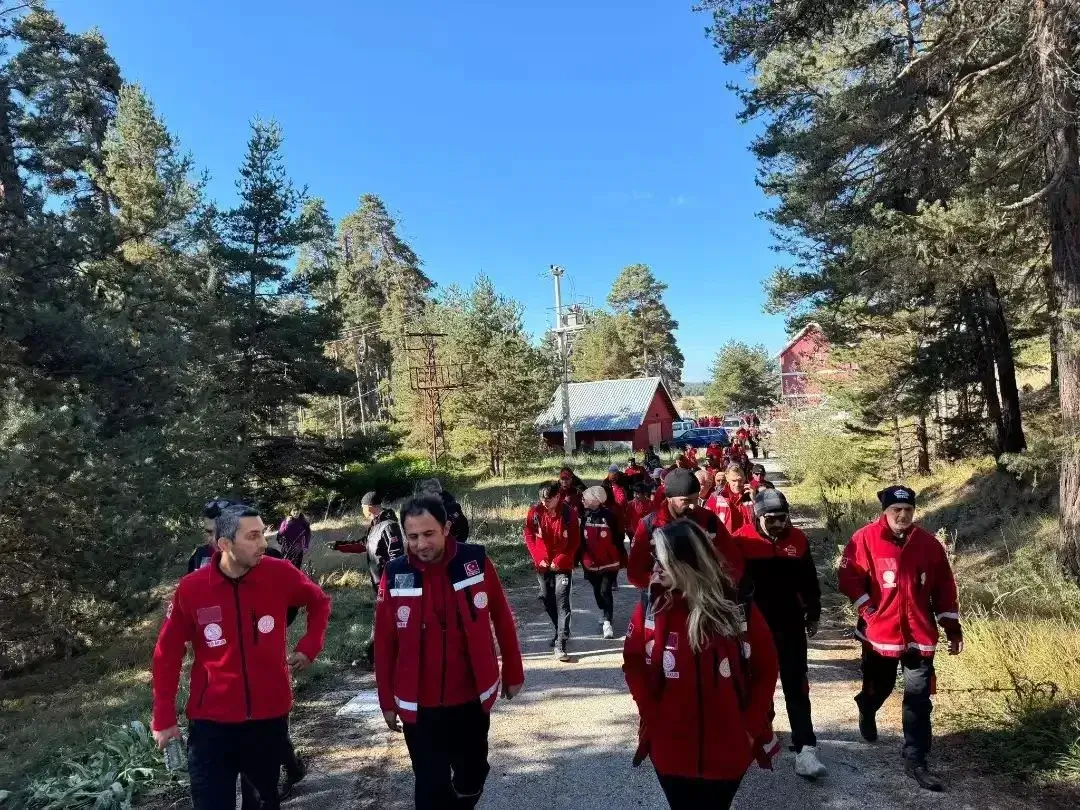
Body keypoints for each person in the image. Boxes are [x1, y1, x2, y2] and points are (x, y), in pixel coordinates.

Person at [151, 504, 332, 810]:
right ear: (224, 544)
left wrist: (310, 645)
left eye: (263, 533)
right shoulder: (192, 589)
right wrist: (164, 716)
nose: (263, 543)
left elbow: (319, 602)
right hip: (211, 724)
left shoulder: (280, 573)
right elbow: (166, 653)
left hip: (267, 719)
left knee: (262, 803)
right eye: (253, 536)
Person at [376, 496, 525, 809]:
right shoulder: (395, 573)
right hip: (419, 706)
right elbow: (385, 642)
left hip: (469, 699)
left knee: (472, 776)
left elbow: (501, 616)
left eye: (428, 534)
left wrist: (513, 671)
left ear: (446, 528)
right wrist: (386, 701)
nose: (421, 544)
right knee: (430, 786)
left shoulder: (475, 561)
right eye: (412, 536)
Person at [623, 519, 780, 809]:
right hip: (669, 749)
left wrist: (747, 728)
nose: (654, 568)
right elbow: (633, 663)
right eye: (653, 559)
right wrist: (651, 715)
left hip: (729, 749)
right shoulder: (651, 605)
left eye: (661, 560)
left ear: (687, 563)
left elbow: (767, 668)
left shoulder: (737, 606)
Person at [838, 486, 963, 793]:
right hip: (881, 633)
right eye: (897, 510)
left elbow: (944, 587)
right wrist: (868, 610)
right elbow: (848, 577)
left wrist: (952, 627)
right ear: (886, 511)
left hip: (919, 633)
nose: (903, 515)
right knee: (878, 687)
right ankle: (867, 706)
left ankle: (916, 759)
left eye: (908, 510)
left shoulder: (928, 544)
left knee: (918, 698)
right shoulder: (865, 538)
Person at [733, 490, 827, 779]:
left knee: (796, 683)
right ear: (757, 516)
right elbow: (731, 586)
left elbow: (809, 579)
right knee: (758, 684)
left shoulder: (797, 541)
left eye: (782, 519)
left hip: (790, 624)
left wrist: (813, 612)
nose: (777, 525)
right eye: (770, 519)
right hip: (754, 627)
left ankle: (806, 748)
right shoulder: (740, 541)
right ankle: (763, 733)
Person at [627, 468, 743, 590]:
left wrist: (723, 584)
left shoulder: (709, 520)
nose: (693, 506)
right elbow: (635, 573)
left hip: (704, 595)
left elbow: (733, 560)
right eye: (686, 501)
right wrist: (664, 581)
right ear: (669, 498)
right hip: (664, 599)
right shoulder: (650, 525)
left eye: (696, 499)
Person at [330, 492, 405, 666]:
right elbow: (364, 544)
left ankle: (373, 657)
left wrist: (391, 582)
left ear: (369, 507)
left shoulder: (389, 525)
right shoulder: (375, 524)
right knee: (384, 620)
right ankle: (382, 656)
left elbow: (397, 556)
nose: (362, 511)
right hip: (378, 582)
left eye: (363, 508)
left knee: (381, 620)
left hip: (387, 584)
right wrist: (340, 546)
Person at [523, 481, 581, 661]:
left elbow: (574, 541)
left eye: (548, 499)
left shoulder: (568, 513)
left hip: (562, 565)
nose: (544, 503)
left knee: (562, 601)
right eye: (542, 499)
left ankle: (560, 644)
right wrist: (539, 558)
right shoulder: (535, 512)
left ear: (558, 497)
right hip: (542, 565)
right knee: (547, 599)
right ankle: (560, 630)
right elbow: (529, 536)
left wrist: (559, 560)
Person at [579, 486, 626, 639]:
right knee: (597, 591)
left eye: (585, 498)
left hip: (609, 561)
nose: (583, 500)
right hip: (590, 562)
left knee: (605, 590)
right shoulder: (583, 516)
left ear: (595, 500)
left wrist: (622, 556)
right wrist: (579, 558)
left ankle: (607, 622)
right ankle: (603, 609)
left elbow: (619, 538)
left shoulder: (610, 516)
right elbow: (580, 539)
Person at [415, 478, 470, 543]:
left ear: (435, 493)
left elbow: (464, 527)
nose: (423, 497)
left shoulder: (451, 508)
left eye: (425, 495)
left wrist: (458, 544)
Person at [188, 499, 234, 573]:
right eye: (209, 532)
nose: (214, 539)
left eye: (222, 532)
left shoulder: (253, 559)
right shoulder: (199, 555)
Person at [706, 464, 755, 534]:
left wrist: (754, 500)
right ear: (727, 478)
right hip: (725, 542)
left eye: (740, 480)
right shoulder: (716, 497)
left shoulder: (753, 495)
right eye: (733, 481)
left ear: (745, 477)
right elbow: (705, 520)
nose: (737, 484)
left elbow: (762, 521)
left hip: (749, 541)